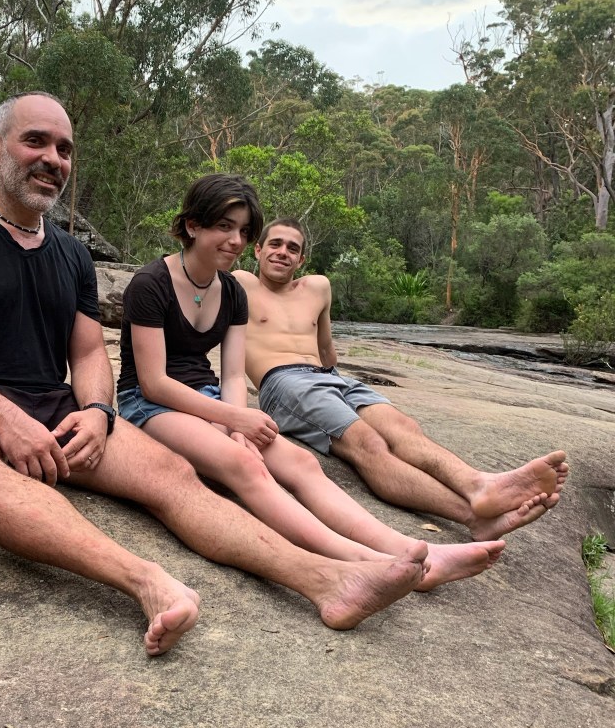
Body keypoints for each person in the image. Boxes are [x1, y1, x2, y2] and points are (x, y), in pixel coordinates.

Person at [0, 93, 433, 657]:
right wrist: (5, 418)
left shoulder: (72, 255)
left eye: (65, 149)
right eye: (36, 141)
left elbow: (89, 354)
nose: (53, 158)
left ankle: (326, 579)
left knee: (174, 475)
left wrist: (97, 412)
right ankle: (147, 581)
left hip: (56, 408)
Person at [117, 173, 507, 594]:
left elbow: (231, 375)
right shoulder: (151, 283)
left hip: (209, 397)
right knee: (244, 464)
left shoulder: (231, 291)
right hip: (150, 405)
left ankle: (413, 550)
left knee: (302, 464)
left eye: (244, 231)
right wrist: (235, 420)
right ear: (193, 225)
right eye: (224, 227)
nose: (236, 241)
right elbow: (154, 383)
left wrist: (235, 423)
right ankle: (370, 563)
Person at [233, 218, 568, 541]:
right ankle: (473, 517)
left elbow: (326, 350)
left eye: (292, 248)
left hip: (331, 377)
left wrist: (334, 378)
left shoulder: (317, 287)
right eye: (275, 244)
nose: (283, 252)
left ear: (302, 259)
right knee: (368, 443)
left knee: (404, 428)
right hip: (283, 382)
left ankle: (479, 485)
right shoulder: (242, 284)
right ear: (258, 250)